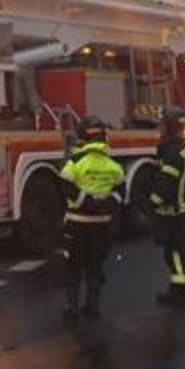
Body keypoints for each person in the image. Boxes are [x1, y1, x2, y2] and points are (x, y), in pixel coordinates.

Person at [58, 118, 125, 319]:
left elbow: (65, 187)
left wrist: (85, 202)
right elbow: (121, 191)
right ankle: (93, 307)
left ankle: (72, 309)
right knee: (95, 266)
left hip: (77, 224)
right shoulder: (113, 165)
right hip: (102, 225)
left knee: (73, 267)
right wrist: (105, 204)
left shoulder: (75, 163)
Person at [152, 109, 185, 304]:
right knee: (184, 248)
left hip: (174, 210)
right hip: (184, 208)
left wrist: (152, 202)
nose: (160, 127)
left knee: (174, 252)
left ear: (169, 126)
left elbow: (166, 184)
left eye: (162, 124)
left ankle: (181, 290)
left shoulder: (172, 152)